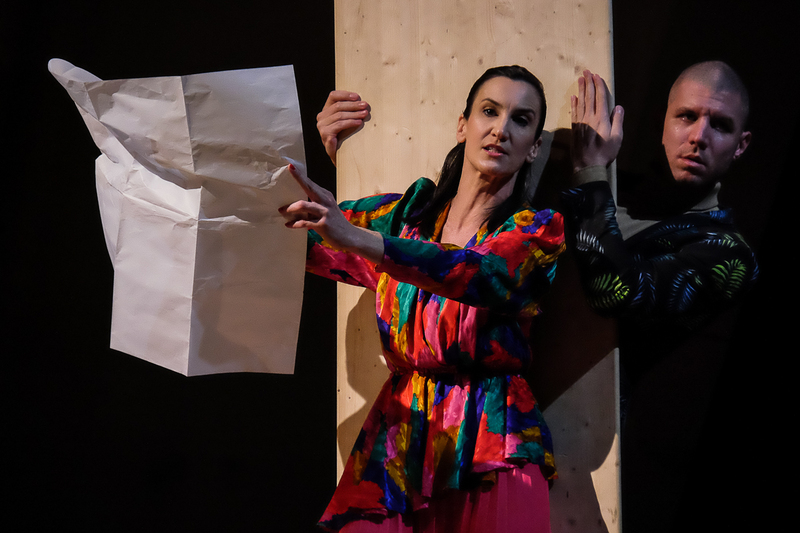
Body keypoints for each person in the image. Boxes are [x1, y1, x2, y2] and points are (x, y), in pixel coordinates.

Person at [281, 66, 565, 532]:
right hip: (400, 435)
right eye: (489, 111)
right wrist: (318, 157)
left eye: (521, 119)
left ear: (533, 146)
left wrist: (360, 240)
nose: (500, 129)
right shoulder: (405, 217)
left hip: (494, 440)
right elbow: (291, 238)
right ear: (462, 125)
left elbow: (477, 274)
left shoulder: (537, 232)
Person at [566, 63, 759, 530]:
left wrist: (590, 171)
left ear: (741, 145)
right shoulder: (613, 190)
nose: (699, 136)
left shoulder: (728, 253)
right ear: (661, 124)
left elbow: (616, 292)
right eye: (686, 117)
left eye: (720, 125)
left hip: (584, 448)